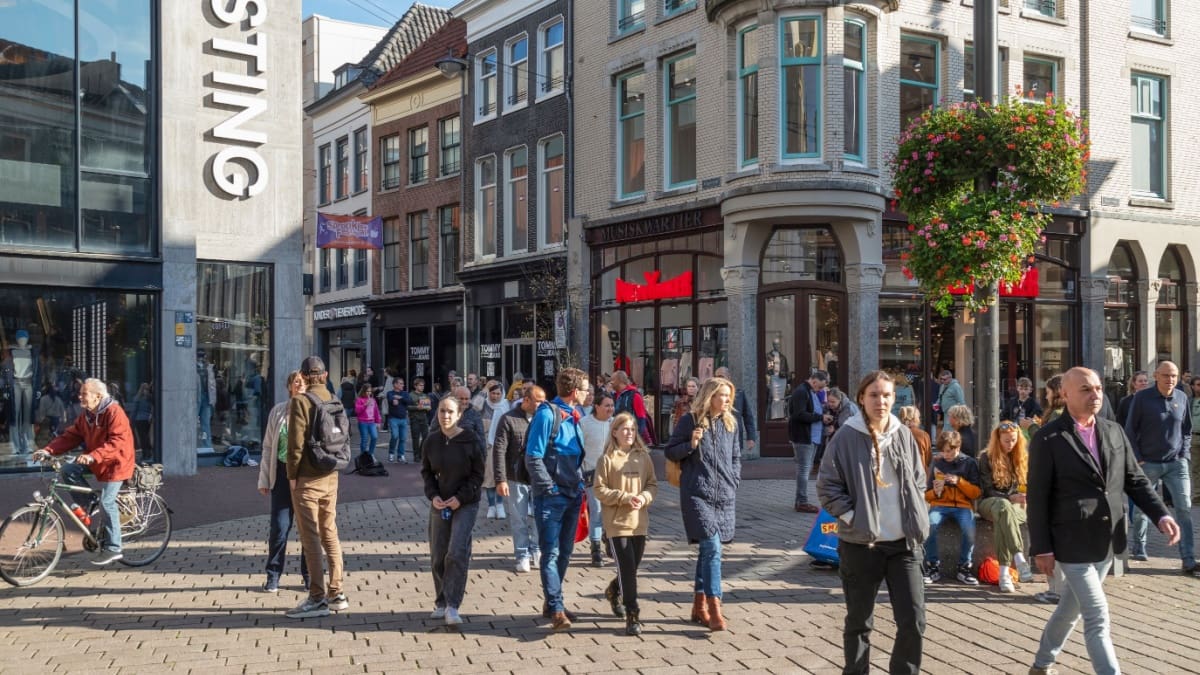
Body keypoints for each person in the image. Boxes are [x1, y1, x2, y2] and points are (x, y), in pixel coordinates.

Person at [1027, 367, 1180, 675]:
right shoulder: (1048, 437)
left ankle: (1041, 664)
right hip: (1070, 541)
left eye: (1097, 388)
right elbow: (1038, 497)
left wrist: (1161, 514)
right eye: (1085, 389)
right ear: (1065, 394)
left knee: (1069, 609)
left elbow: (1134, 480)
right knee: (1096, 615)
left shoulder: (1113, 430)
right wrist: (1041, 548)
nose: (1095, 394)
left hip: (1108, 538)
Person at [817, 370, 929, 675]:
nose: (881, 401)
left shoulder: (904, 433)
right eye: (874, 395)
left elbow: (919, 480)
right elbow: (827, 486)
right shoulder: (845, 437)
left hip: (904, 544)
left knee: (914, 621)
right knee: (859, 622)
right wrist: (855, 517)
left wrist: (918, 513)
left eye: (887, 395)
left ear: (895, 398)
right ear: (862, 399)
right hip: (861, 546)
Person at [665, 377, 741, 632]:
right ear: (710, 396)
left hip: (724, 496)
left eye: (729, 397)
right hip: (697, 493)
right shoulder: (691, 420)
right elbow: (670, 451)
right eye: (721, 396)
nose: (726, 401)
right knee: (712, 547)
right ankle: (715, 607)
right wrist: (691, 445)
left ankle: (699, 606)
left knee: (709, 551)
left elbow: (736, 456)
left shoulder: (731, 423)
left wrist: (734, 480)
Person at [33, 378, 136, 566]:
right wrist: (48, 450)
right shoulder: (87, 415)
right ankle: (91, 504)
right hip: (96, 459)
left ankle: (114, 548)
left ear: (98, 396)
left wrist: (93, 455)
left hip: (116, 462)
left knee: (108, 501)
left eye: (83, 394)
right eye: (80, 393)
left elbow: (117, 442)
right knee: (68, 469)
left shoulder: (114, 412)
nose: (79, 396)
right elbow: (71, 436)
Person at [525, 367, 591, 630]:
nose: (589, 394)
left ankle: (553, 602)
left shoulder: (577, 414)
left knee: (565, 552)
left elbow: (576, 455)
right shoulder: (546, 414)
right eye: (586, 389)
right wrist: (549, 488)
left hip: (573, 492)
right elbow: (533, 456)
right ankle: (557, 608)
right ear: (575, 392)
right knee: (550, 553)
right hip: (552, 496)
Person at [285, 356, 347, 619]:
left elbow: (295, 445)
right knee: (329, 532)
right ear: (323, 375)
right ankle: (337, 592)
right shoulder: (334, 399)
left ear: (304, 375)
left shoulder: (300, 401)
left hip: (308, 479)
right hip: (331, 474)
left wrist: (291, 476)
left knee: (310, 538)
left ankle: (317, 597)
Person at [421, 394, 485, 626]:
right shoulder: (431, 441)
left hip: (466, 503)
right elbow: (426, 472)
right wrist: (434, 496)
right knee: (438, 553)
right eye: (441, 411)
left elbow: (479, 474)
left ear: (459, 415)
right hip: (440, 502)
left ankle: (452, 605)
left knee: (456, 551)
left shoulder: (471, 440)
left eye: (450, 412)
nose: (445, 416)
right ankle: (441, 600)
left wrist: (460, 498)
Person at [1124, 360, 1194, 572]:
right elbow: (1129, 429)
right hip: (1149, 462)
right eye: (1166, 375)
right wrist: (1138, 458)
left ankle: (1188, 557)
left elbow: (1186, 429)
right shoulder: (1142, 398)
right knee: (1142, 510)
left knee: (1184, 508)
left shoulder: (1182, 397)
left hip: (1176, 464)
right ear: (1156, 376)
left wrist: (1184, 454)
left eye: (1174, 375)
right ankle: (1140, 546)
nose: (1170, 379)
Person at [594, 411, 658, 636]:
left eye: (632, 429)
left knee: (632, 568)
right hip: (616, 524)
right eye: (625, 429)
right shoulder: (607, 459)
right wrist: (623, 497)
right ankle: (633, 614)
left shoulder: (643, 456)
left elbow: (652, 485)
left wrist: (644, 497)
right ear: (615, 432)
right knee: (629, 572)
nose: (630, 433)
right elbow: (599, 489)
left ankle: (613, 590)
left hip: (639, 522)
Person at [256, 370, 309, 593]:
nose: (300, 385)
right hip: (281, 474)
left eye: (304, 382)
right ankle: (273, 575)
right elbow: (268, 447)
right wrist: (264, 479)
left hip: (306, 477)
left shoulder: (313, 411)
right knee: (279, 527)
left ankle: (310, 576)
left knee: (309, 530)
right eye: (296, 382)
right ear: (289, 386)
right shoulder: (278, 411)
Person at [494, 384, 545, 572]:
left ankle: (538, 550)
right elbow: (499, 450)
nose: (541, 405)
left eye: (543, 401)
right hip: (516, 477)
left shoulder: (544, 418)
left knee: (540, 516)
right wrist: (501, 479)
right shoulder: (508, 419)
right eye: (538, 401)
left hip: (539, 477)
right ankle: (522, 553)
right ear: (526, 400)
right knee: (519, 518)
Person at [977, 420, 1033, 592]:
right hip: (990, 502)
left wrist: (1023, 496)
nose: (1011, 444)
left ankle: (1003, 574)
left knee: (1005, 515)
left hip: (1016, 506)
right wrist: (1010, 497)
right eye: (1007, 440)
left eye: (1014, 440)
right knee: (1003, 506)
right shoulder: (986, 457)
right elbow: (986, 490)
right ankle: (1019, 557)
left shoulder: (1022, 457)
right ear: (998, 439)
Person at [921, 430, 981, 585]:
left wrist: (959, 482)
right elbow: (927, 495)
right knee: (930, 525)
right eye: (943, 451)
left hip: (962, 506)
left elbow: (976, 493)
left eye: (949, 451)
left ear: (958, 447)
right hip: (940, 505)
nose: (946, 454)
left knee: (969, 529)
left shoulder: (969, 463)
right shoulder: (937, 462)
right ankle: (932, 565)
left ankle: (964, 567)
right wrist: (936, 491)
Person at [580, 391, 615, 566]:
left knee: (611, 511)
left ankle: (609, 540)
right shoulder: (584, 423)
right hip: (592, 473)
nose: (610, 409)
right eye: (607, 405)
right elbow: (579, 450)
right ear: (597, 407)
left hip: (612, 475)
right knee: (597, 511)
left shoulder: (614, 424)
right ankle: (595, 551)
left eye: (612, 405)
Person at [787, 370, 827, 513]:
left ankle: (800, 500)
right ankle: (802, 502)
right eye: (820, 387)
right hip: (803, 437)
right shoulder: (802, 392)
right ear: (814, 381)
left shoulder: (810, 392)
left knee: (805, 469)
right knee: (804, 469)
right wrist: (820, 418)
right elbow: (799, 414)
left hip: (810, 437)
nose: (820, 390)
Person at [480, 382, 510, 519]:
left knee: (500, 475)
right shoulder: (483, 405)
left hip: (500, 445)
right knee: (488, 477)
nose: (495, 396)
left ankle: (500, 504)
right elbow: (473, 406)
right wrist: (484, 390)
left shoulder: (505, 406)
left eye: (498, 393)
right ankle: (491, 506)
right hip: (486, 445)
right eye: (493, 393)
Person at [716, 366, 758, 453]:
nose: (719, 379)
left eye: (721, 376)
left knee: (735, 464)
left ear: (728, 377)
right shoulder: (711, 395)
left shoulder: (739, 394)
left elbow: (748, 417)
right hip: (717, 438)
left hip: (735, 437)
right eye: (716, 377)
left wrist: (751, 437)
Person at [611, 370, 653, 446]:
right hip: (619, 437)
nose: (611, 382)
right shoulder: (614, 395)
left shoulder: (634, 395)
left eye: (613, 380)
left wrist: (635, 438)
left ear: (620, 380)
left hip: (631, 439)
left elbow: (641, 419)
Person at [385, 377, 411, 463]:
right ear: (395, 384)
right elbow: (390, 399)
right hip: (393, 419)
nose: (402, 385)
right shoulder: (390, 393)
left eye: (403, 383)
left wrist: (400, 398)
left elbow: (409, 401)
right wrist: (394, 400)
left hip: (403, 419)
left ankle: (401, 455)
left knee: (403, 438)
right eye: (400, 383)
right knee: (395, 436)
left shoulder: (405, 393)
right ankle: (391, 453)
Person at [899, 406, 932, 470]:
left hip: (902, 474)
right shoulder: (923, 435)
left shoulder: (896, 434)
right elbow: (928, 459)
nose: (919, 420)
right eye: (919, 417)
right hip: (921, 474)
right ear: (915, 419)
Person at [454, 386, 486, 451]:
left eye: (466, 399)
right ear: (455, 398)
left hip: (468, 453)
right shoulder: (447, 411)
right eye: (461, 398)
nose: (464, 401)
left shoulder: (475, 414)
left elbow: (481, 437)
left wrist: (483, 455)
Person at [354, 384, 381, 459]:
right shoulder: (359, 399)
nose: (369, 393)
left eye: (370, 391)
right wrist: (365, 405)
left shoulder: (373, 400)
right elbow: (357, 411)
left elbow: (376, 411)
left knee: (374, 437)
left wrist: (378, 422)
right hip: (363, 422)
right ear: (363, 391)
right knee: (364, 439)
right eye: (367, 391)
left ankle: (370, 453)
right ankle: (363, 455)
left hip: (372, 422)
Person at [409, 378, 433, 462]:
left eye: (423, 385)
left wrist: (428, 408)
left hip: (423, 418)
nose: (422, 387)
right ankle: (416, 455)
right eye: (420, 385)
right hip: (414, 418)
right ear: (415, 386)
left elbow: (428, 407)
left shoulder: (425, 395)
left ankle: (420, 453)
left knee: (426, 436)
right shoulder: (411, 395)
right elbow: (407, 407)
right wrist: (417, 407)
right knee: (415, 438)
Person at [128, 383, 153, 457]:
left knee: (142, 437)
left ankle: (145, 453)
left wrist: (131, 420)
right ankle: (148, 452)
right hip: (147, 419)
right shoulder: (150, 398)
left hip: (139, 419)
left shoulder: (137, 398)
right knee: (146, 436)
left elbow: (134, 410)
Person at [1190, 375, 1200, 501]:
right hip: (1194, 437)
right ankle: (1198, 494)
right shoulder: (1189, 401)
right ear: (1192, 386)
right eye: (1198, 384)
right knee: (1196, 468)